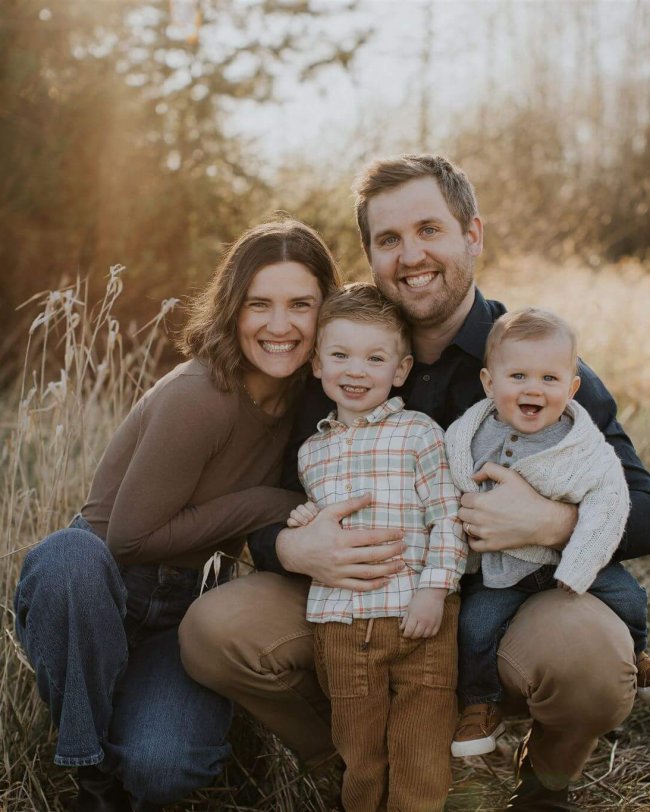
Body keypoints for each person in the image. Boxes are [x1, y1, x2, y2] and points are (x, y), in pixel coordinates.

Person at [179, 155, 650, 811]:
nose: (411, 255)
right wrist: (288, 546)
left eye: (429, 229)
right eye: (389, 239)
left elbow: (644, 504)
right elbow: (268, 495)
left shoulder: (531, 364)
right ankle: (352, 765)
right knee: (215, 629)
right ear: (369, 254)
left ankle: (544, 781)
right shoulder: (340, 362)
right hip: (365, 607)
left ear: (472, 235)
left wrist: (552, 523)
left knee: (591, 661)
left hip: (504, 612)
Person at [13, 218, 341, 812]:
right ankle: (90, 779)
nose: (279, 325)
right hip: (97, 587)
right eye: (257, 304)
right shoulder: (203, 395)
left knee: (164, 769)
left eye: (301, 305)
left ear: (327, 312)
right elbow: (132, 538)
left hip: (181, 609)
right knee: (71, 560)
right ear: (231, 309)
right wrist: (268, 503)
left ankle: (126, 744)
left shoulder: (306, 399)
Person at [286, 283, 466, 811]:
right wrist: (303, 521)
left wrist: (435, 589)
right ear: (317, 364)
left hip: (419, 620)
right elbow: (321, 525)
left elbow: (447, 517)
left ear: (401, 370)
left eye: (375, 357)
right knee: (360, 754)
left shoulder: (419, 434)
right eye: (340, 355)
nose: (356, 370)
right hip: (340, 627)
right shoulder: (310, 453)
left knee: (421, 750)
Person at [444, 307, 649, 759]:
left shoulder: (580, 442)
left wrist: (574, 550)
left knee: (631, 598)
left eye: (550, 380)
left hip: (565, 561)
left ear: (573, 388)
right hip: (503, 569)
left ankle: (637, 654)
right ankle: (481, 704)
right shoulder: (469, 436)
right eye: (517, 375)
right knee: (474, 626)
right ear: (488, 382)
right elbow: (453, 487)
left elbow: (613, 497)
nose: (533, 388)